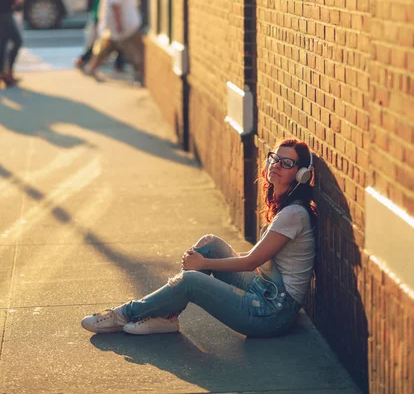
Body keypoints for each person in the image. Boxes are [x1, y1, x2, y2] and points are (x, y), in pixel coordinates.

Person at [81, 138, 317, 338]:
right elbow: (255, 256)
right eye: (275, 158)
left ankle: (123, 314)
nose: (277, 165)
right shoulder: (283, 207)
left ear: (301, 174)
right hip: (264, 290)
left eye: (287, 163)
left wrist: (203, 265)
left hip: (273, 313)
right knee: (210, 244)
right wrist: (206, 259)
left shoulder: (293, 214)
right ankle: (167, 318)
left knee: (192, 280)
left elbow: (251, 262)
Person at [86, 0, 143, 81]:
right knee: (135, 50)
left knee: (108, 47)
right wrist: (119, 24)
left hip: (118, 26)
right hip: (124, 26)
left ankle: (92, 67)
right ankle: (140, 72)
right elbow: (115, 5)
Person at [75, 0, 125, 72]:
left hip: (97, 16)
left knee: (105, 43)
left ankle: (117, 64)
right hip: (102, 17)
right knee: (102, 44)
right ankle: (86, 61)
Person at [0, 0, 23, 87]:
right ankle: (8, 72)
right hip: (5, 14)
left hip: (3, 14)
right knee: (17, 41)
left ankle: (4, 72)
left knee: (2, 44)